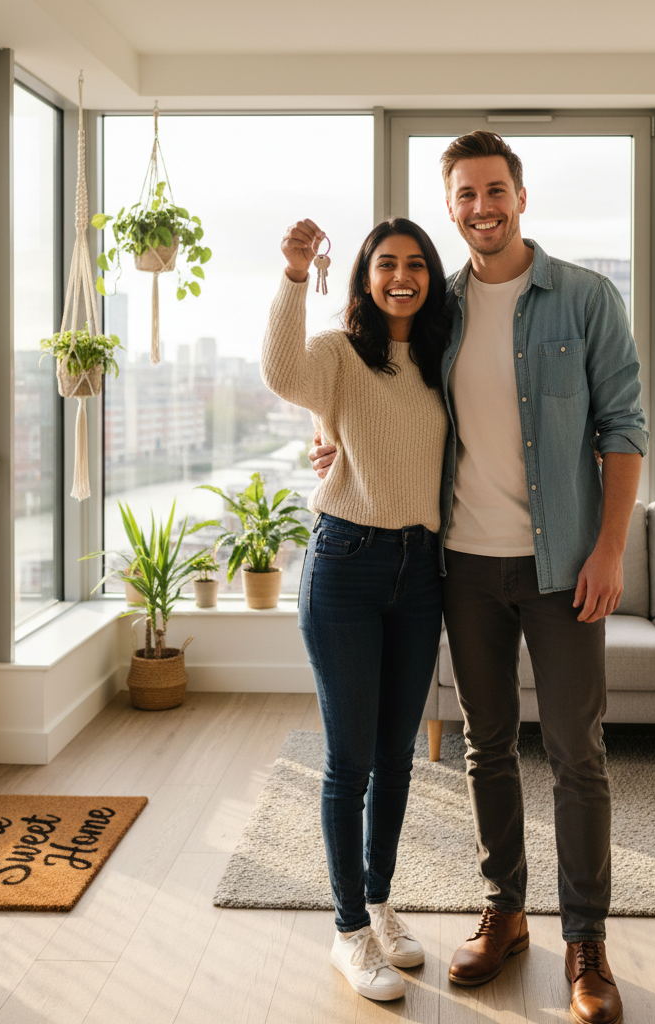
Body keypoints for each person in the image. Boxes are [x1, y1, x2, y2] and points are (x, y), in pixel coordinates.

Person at [309, 131, 648, 1024]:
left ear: (521, 197)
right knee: (486, 747)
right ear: (451, 205)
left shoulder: (584, 298)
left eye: (494, 190)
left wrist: (611, 549)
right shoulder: (441, 311)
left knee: (577, 755)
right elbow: (388, 401)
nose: (481, 208)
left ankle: (587, 943)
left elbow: (624, 428)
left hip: (565, 566)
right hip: (457, 563)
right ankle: (506, 910)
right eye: (464, 195)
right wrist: (335, 438)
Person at [261, 216, 450, 1002]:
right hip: (345, 562)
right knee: (351, 762)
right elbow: (280, 373)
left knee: (399, 755)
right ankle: (347, 932)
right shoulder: (339, 355)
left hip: (422, 570)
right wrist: (295, 273)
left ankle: (379, 902)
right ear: (366, 277)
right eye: (386, 265)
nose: (401, 276)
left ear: (431, 278)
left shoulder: (444, 359)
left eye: (414, 265)